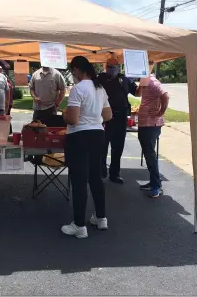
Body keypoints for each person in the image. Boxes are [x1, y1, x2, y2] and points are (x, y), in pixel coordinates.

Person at [61, 56, 112, 239]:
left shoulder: (78, 89)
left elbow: (73, 119)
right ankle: (101, 217)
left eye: (73, 71)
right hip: (98, 135)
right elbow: (108, 115)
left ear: (76, 69)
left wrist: (64, 115)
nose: (72, 74)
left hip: (79, 137)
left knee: (80, 182)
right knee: (96, 179)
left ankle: (79, 225)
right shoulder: (100, 88)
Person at [98, 53, 142, 184]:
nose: (112, 68)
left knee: (118, 147)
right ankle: (101, 171)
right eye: (110, 66)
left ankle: (114, 173)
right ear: (105, 67)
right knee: (102, 146)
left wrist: (145, 78)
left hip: (120, 117)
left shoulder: (125, 79)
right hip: (104, 118)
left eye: (115, 66)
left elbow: (137, 92)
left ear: (119, 67)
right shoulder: (100, 79)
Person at [138, 63, 169, 198]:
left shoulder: (152, 81)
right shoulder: (145, 81)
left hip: (151, 124)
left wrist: (161, 111)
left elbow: (165, 95)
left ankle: (156, 186)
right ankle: (153, 182)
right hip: (146, 123)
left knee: (150, 155)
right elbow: (138, 93)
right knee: (148, 153)